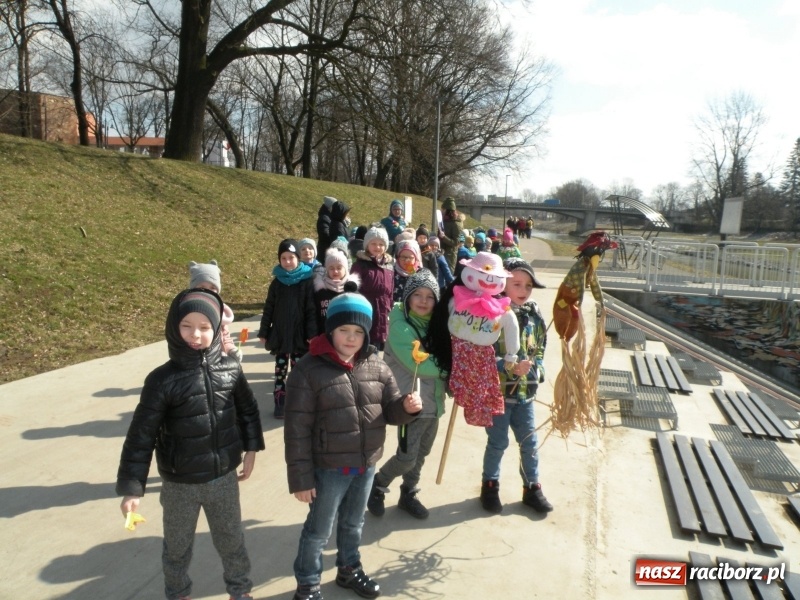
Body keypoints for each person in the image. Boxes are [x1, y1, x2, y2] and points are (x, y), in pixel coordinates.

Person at [117, 288, 265, 600]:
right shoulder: (161, 380)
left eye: (204, 327)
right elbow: (141, 436)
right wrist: (133, 486)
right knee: (177, 546)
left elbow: (248, 410)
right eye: (186, 326)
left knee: (231, 540)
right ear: (174, 327)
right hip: (179, 484)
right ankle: (177, 592)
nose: (195, 334)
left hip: (223, 478)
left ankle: (240, 590)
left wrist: (251, 448)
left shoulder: (230, 368)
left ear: (216, 329)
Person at [284, 292, 422, 600]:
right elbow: (296, 430)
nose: (351, 337)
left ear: (367, 334)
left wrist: (406, 408)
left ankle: (349, 568)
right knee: (319, 530)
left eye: (358, 331)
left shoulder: (377, 366)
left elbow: (390, 412)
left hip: (366, 464)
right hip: (328, 468)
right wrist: (301, 479)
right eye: (344, 329)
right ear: (330, 330)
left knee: (353, 522)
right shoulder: (307, 370)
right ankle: (307, 584)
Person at [368, 269, 445, 520]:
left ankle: (408, 493)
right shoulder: (400, 326)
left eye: (430, 296)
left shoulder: (437, 326)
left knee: (421, 453)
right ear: (408, 297)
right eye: (418, 295)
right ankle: (378, 484)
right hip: (410, 403)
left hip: (434, 402)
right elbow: (418, 365)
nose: (423, 301)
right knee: (406, 457)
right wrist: (449, 369)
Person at [480, 258, 552, 514]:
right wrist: (507, 366)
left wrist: (537, 370)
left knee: (529, 443)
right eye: (517, 284)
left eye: (528, 285)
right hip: (498, 394)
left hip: (526, 395)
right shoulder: (491, 314)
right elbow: (482, 353)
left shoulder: (534, 314)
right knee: (498, 443)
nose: (524, 290)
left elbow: (540, 347)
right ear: (502, 284)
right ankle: (490, 486)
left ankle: (532, 487)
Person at [257, 239, 317, 418]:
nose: (288, 261)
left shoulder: (307, 281)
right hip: (281, 336)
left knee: (299, 371)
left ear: (298, 258)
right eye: (283, 258)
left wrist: (312, 333)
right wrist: (264, 331)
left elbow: (311, 310)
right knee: (280, 372)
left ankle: (299, 403)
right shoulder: (276, 283)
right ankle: (280, 403)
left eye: (291, 257)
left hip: (299, 336)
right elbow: (269, 308)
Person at [350, 226, 394, 351]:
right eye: (373, 243)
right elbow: (352, 290)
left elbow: (390, 293)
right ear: (367, 245)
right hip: (366, 313)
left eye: (381, 244)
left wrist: (390, 309)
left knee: (379, 350)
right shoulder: (360, 265)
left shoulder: (389, 267)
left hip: (383, 314)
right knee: (365, 349)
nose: (377, 247)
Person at [188, 259, 241, 361]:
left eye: (212, 287)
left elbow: (225, 337)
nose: (207, 290)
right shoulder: (188, 310)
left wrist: (231, 350)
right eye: (202, 286)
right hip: (194, 360)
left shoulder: (220, 311)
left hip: (217, 359)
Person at [313, 247, 360, 333]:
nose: (335, 271)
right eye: (331, 268)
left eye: (339, 268)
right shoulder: (320, 291)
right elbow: (314, 316)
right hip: (324, 335)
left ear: (345, 269)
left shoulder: (352, 291)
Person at [438, 196, 464, 273]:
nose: (442, 211)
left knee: (448, 275)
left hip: (450, 255)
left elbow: (456, 243)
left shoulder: (456, 224)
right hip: (440, 251)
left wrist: (444, 237)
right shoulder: (443, 221)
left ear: (448, 211)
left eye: (443, 209)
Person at [392, 239, 422, 303]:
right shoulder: (391, 272)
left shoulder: (420, 274)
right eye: (403, 257)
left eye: (410, 258)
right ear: (397, 257)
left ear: (416, 259)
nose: (406, 260)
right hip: (395, 307)